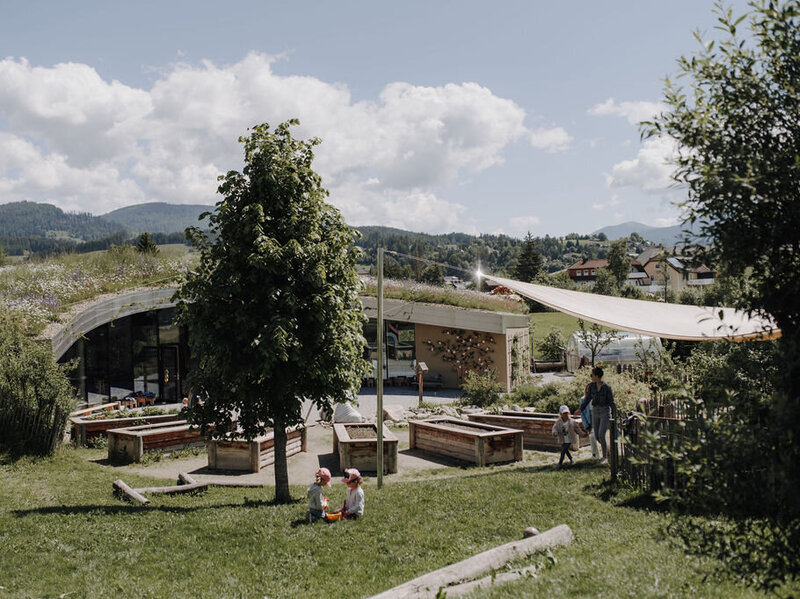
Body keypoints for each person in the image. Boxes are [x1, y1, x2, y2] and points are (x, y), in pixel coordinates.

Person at [577, 366, 616, 463]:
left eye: (592, 375)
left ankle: (605, 456)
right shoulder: (592, 386)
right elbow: (587, 399)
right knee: (597, 436)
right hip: (595, 412)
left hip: (604, 412)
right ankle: (607, 449)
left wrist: (614, 415)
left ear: (597, 376)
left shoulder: (606, 387)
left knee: (601, 434)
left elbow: (611, 402)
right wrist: (580, 409)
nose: (591, 377)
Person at [552, 405, 583, 470]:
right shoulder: (558, 422)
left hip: (569, 438)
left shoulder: (572, 421)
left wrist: (582, 434)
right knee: (565, 450)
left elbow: (577, 429)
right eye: (564, 413)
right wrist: (555, 432)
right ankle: (571, 459)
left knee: (563, 451)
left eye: (567, 413)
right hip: (562, 438)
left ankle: (560, 463)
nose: (566, 415)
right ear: (561, 414)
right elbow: (555, 428)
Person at [579, 386, 600, 460]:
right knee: (592, 436)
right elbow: (582, 413)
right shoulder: (583, 399)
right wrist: (586, 425)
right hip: (590, 419)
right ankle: (595, 454)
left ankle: (607, 453)